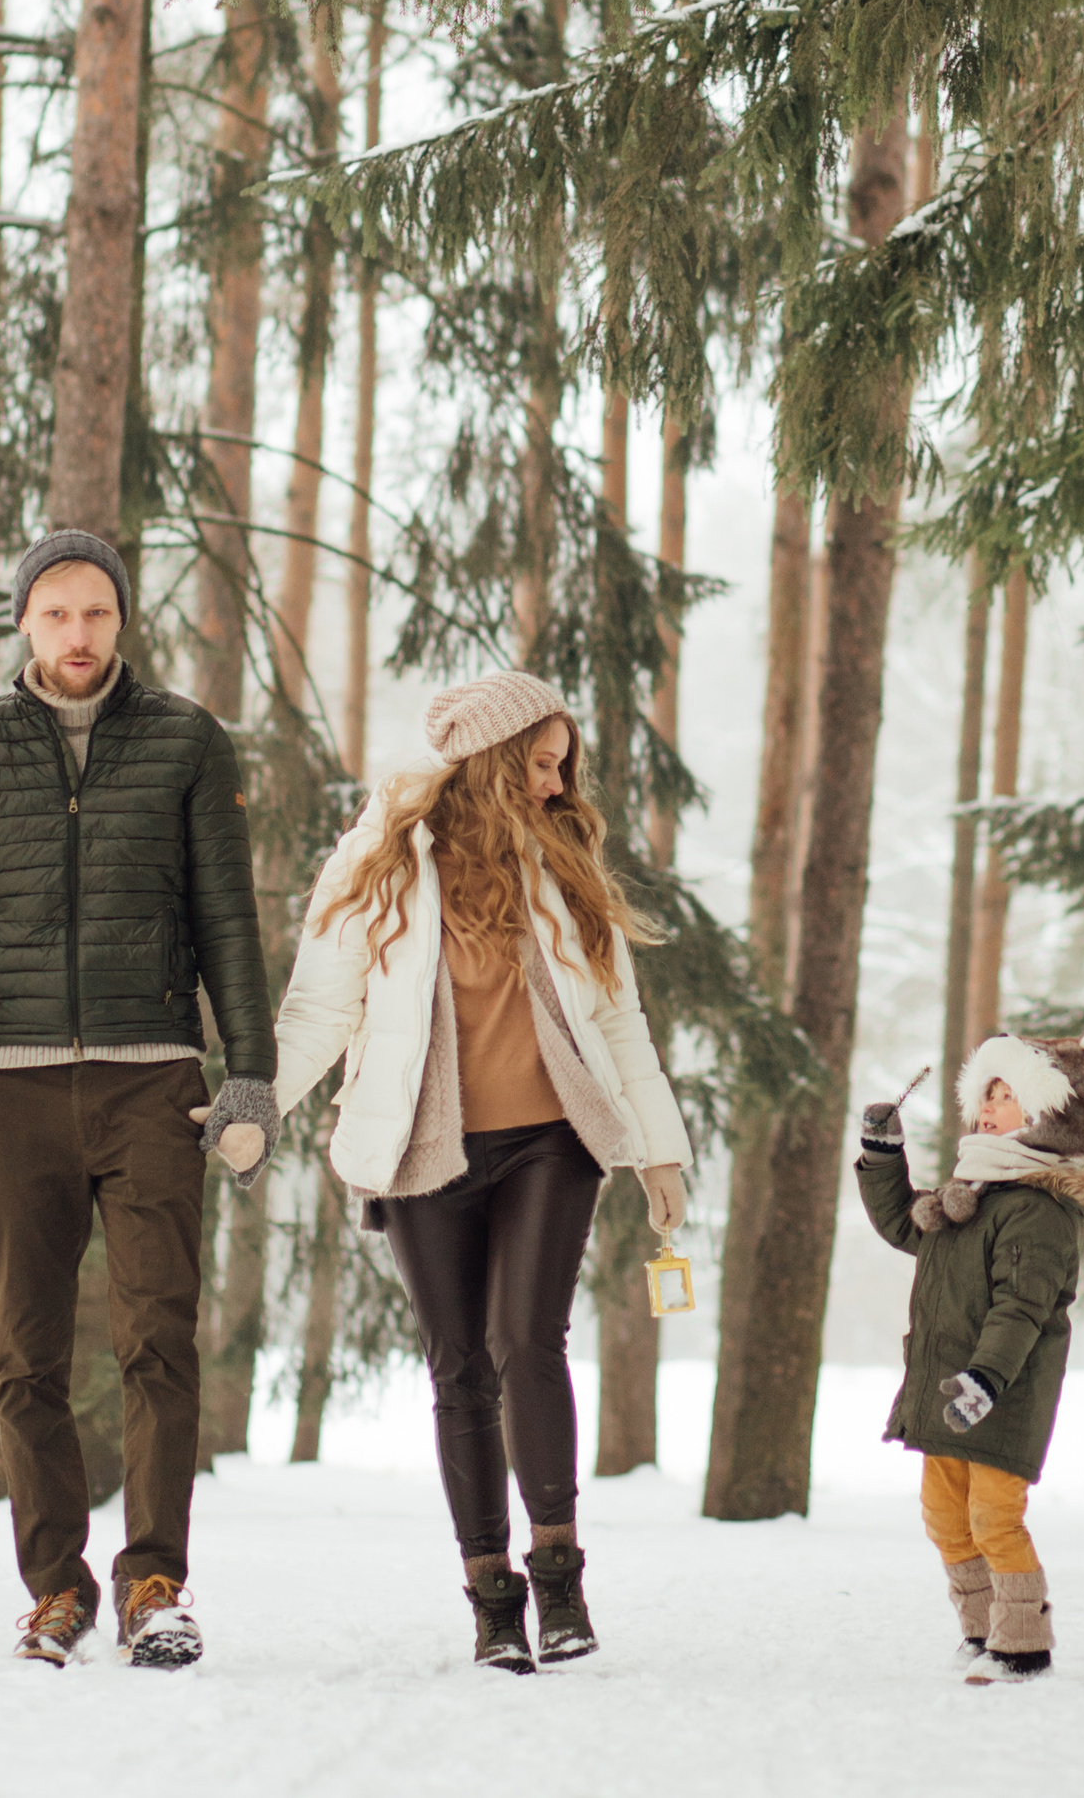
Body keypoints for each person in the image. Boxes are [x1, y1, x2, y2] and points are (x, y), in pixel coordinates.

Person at [0, 527, 278, 1672]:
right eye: (55, 613)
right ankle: (55, 1586)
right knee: (24, 1354)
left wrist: (246, 1067)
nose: (77, 634)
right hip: (10, 1088)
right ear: (23, 623)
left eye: (96, 612)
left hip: (154, 1079)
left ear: (122, 621)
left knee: (158, 1338)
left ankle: (155, 1581)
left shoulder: (187, 742)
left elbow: (226, 921)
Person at [270, 668, 693, 1671]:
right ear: (496, 757)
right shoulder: (381, 853)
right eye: (542, 764)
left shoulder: (564, 862)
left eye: (562, 767)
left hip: (553, 1134)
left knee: (523, 1339)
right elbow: (322, 1004)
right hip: (424, 1140)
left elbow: (618, 1019)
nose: (556, 785)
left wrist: (658, 1146)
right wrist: (253, 1109)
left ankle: (559, 1576)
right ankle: (490, 1595)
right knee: (458, 1365)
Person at [857, 1030, 1084, 1680]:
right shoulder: (971, 1193)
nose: (991, 1105)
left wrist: (986, 1376)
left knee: (993, 1517)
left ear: (1045, 1118)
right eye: (989, 1092)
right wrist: (884, 1157)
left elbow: (1021, 1308)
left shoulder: (1034, 1207)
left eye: (1008, 1096)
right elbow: (903, 1226)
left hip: (1001, 1390)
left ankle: (1023, 1643)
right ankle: (981, 1631)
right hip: (951, 1390)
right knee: (946, 1518)